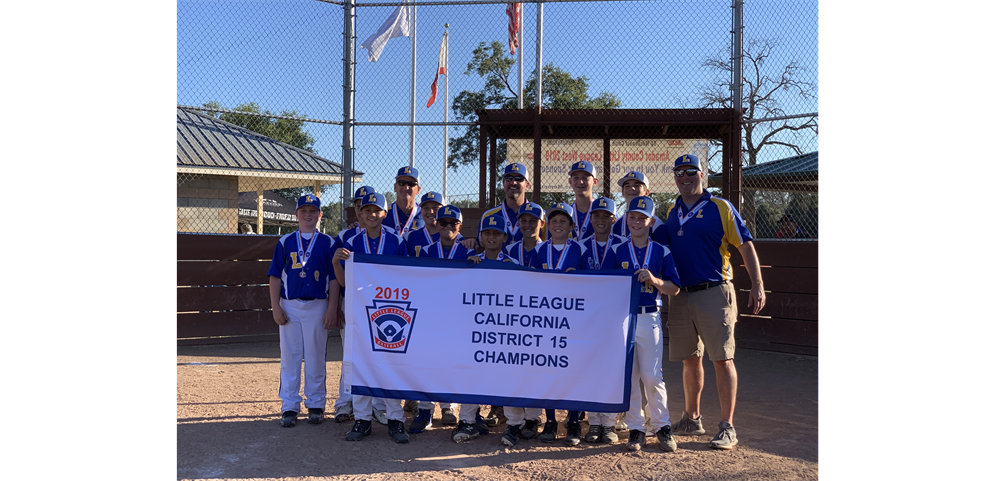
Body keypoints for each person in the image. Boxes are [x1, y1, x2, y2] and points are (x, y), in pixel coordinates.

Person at [661, 154, 766, 450]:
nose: (685, 177)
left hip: (714, 291)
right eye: (679, 172)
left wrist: (757, 285)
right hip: (682, 295)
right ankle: (692, 418)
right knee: (690, 359)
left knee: (722, 359)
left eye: (690, 171)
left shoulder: (720, 206)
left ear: (702, 174)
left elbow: (745, 246)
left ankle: (727, 426)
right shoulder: (672, 211)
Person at [333, 192, 411, 444]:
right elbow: (345, 282)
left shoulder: (396, 241)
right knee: (360, 363)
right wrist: (336, 264)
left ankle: (396, 419)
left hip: (388, 309)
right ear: (360, 213)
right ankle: (363, 419)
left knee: (390, 362)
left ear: (384, 214)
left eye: (376, 210)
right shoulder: (352, 242)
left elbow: (406, 277)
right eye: (366, 210)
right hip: (359, 309)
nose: (371, 214)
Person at [612, 196, 681, 452]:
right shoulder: (618, 250)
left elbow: (674, 288)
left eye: (642, 218)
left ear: (651, 221)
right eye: (632, 217)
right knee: (630, 376)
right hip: (625, 318)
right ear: (626, 219)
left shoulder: (662, 251)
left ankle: (662, 425)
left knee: (652, 375)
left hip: (650, 315)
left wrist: (654, 280)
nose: (637, 222)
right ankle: (636, 429)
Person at [266, 194, 339, 428]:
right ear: (296, 214)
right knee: (290, 356)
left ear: (320, 214)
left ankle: (316, 404)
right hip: (290, 305)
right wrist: (275, 306)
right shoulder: (285, 241)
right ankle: (289, 405)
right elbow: (275, 276)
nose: (308, 215)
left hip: (318, 305)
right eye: (303, 211)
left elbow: (335, 278)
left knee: (316, 355)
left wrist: (332, 308)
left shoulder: (328, 242)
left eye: (313, 210)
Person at [407, 205, 474, 434]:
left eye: (452, 224)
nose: (447, 227)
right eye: (443, 223)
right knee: (429, 363)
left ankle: (449, 406)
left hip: (458, 317)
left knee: (454, 362)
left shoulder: (467, 251)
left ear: (460, 227)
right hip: (432, 315)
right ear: (437, 224)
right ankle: (425, 410)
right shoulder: (426, 251)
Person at [534, 203, 586, 446]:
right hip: (546, 318)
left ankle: (573, 420)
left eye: (563, 221)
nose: (557, 225)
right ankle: (551, 420)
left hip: (573, 318)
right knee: (547, 369)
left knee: (572, 369)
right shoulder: (539, 250)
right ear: (548, 225)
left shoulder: (581, 250)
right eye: (553, 220)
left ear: (572, 226)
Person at [578, 197, 626, 444]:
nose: (599, 220)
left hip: (614, 317)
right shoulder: (581, 246)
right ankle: (594, 422)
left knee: (610, 369)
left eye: (605, 216)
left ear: (613, 219)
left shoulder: (623, 245)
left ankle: (609, 424)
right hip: (588, 317)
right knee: (590, 367)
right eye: (595, 216)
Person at [331, 185, 379, 424]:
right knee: (350, 354)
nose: (363, 211)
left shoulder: (389, 236)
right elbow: (337, 277)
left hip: (379, 303)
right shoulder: (345, 237)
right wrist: (335, 306)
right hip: (351, 301)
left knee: (378, 354)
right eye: (359, 207)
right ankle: (344, 402)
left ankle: (378, 405)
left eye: (367, 207)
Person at [464, 162, 537, 253]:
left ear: (527, 185)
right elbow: (481, 249)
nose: (513, 182)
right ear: (503, 183)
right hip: (497, 267)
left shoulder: (540, 215)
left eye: (519, 179)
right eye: (508, 178)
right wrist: (473, 244)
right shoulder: (488, 216)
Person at [613, 171, 667, 245]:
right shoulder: (617, 224)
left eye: (637, 185)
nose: (631, 188)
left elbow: (663, 253)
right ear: (622, 192)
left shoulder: (656, 225)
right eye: (627, 186)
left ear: (647, 192)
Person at [405, 191, 463, 258]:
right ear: (421, 211)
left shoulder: (456, 237)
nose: (431, 212)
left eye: (435, 208)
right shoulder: (409, 237)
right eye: (426, 208)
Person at [383, 166, 424, 237]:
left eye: (411, 184)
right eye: (401, 183)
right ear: (395, 187)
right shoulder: (383, 214)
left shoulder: (424, 215)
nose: (406, 187)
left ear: (418, 190)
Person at [503, 202, 545, 270]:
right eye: (523, 221)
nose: (527, 225)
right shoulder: (509, 250)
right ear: (518, 223)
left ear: (542, 224)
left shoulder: (547, 249)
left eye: (533, 221)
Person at [568, 161, 599, 241]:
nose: (580, 182)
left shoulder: (603, 212)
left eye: (585, 178)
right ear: (570, 182)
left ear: (595, 182)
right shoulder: (566, 212)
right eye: (576, 178)